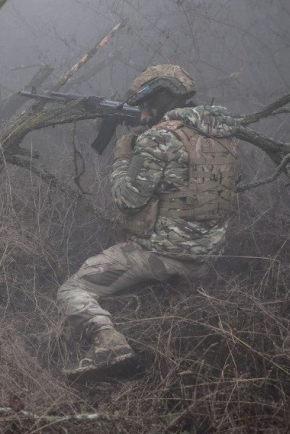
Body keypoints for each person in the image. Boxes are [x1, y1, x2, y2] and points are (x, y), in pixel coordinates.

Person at [57, 64, 240, 376]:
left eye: (144, 106)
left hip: (165, 257)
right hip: (207, 255)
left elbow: (127, 201)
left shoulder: (158, 139)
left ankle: (108, 343)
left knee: (72, 289)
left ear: (160, 100)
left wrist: (123, 154)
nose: (141, 113)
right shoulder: (223, 134)